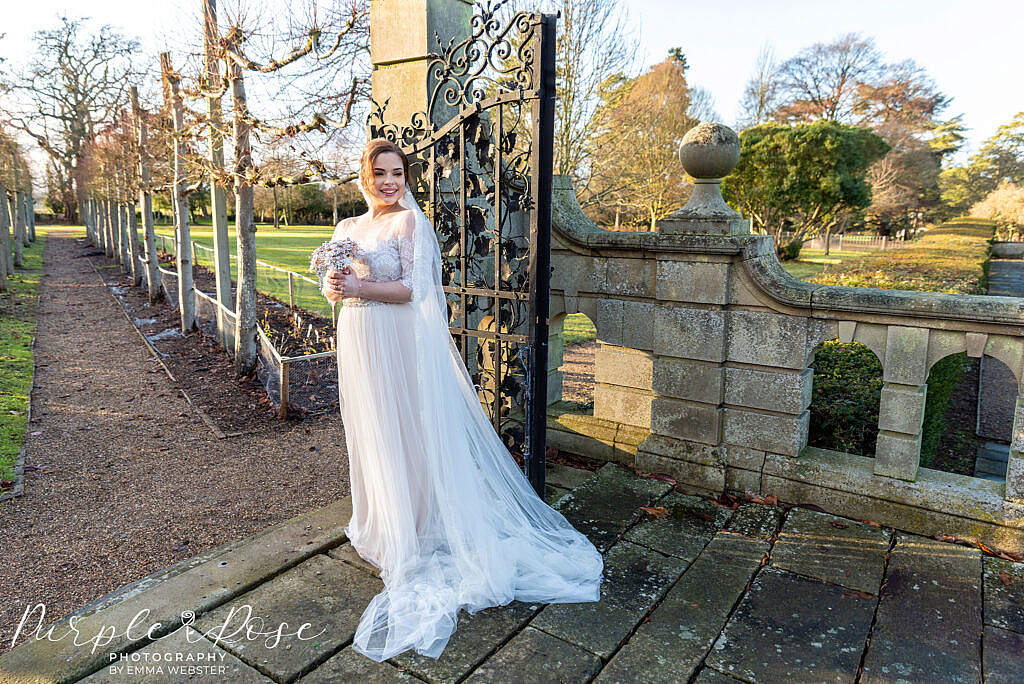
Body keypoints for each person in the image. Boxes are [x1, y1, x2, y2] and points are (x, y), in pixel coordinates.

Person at [319, 138, 603, 662]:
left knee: (409, 432)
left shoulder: (409, 223)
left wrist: (359, 289)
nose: (388, 182)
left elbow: (414, 289)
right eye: (379, 173)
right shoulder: (346, 229)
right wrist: (336, 288)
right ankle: (382, 523)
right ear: (364, 175)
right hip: (359, 341)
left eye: (397, 173)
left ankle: (419, 527)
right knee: (374, 431)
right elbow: (335, 287)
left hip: (396, 339)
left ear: (407, 178)